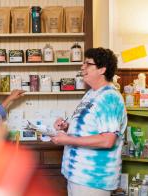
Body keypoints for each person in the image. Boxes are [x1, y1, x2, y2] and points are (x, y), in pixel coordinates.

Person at [51, 47, 127, 196]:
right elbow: (89, 128)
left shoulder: (110, 97)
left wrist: (68, 139)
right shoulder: (91, 94)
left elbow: (107, 140)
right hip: (77, 176)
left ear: (102, 69)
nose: (82, 67)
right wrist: (67, 127)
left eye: (88, 63)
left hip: (93, 179)